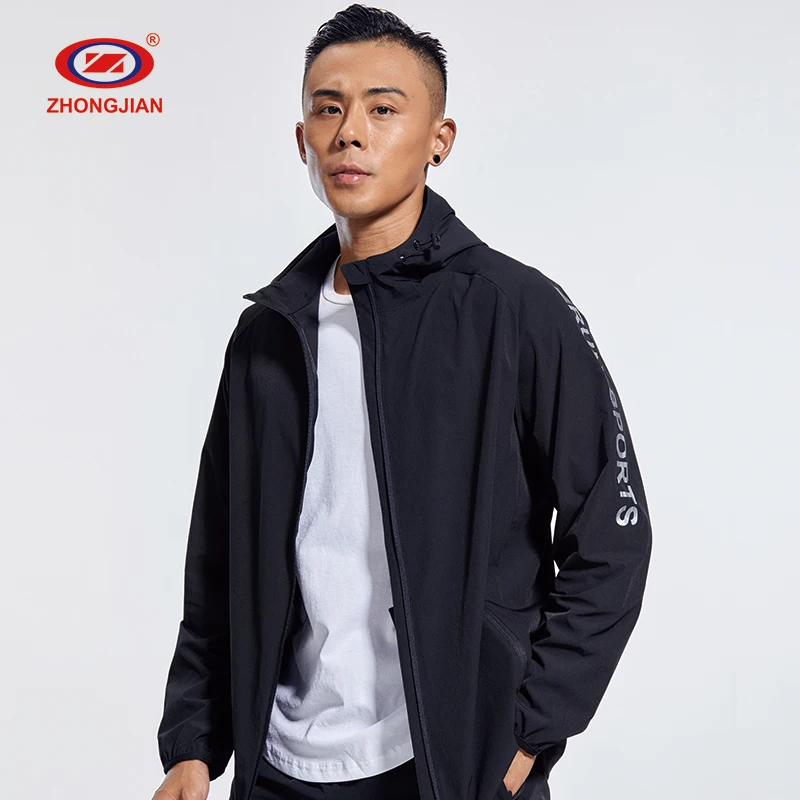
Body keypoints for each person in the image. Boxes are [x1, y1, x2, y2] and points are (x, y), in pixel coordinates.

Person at [152, 5, 653, 800]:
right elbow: (217, 560)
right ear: (302, 140)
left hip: (447, 767)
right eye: (328, 109)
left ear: (438, 139)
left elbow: (612, 535)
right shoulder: (267, 336)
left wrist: (529, 730)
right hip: (281, 764)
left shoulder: (514, 309)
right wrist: (191, 743)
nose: (350, 133)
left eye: (383, 109)